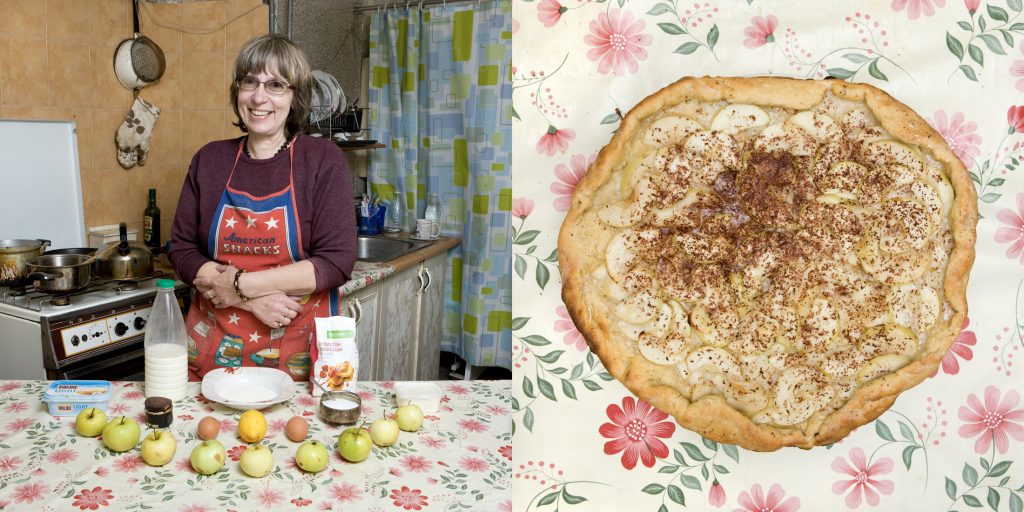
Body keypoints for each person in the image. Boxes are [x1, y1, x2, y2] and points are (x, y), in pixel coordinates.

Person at [169, 34, 356, 382]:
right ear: (237, 90)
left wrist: (239, 285)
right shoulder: (209, 159)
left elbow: (336, 262)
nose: (259, 97)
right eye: (249, 81)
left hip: (296, 351)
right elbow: (181, 250)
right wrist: (247, 299)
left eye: (275, 85)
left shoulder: (323, 160)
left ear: (295, 97)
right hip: (213, 351)